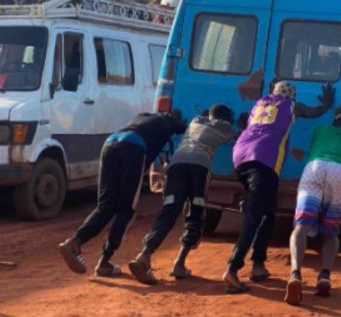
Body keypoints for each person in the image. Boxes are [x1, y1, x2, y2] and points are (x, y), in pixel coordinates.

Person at [223, 80, 334, 294]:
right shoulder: (293, 106)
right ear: (291, 96)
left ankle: (258, 265)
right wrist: (327, 103)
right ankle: (232, 268)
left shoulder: (260, 104)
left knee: (267, 215)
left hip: (240, 156)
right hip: (264, 161)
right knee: (254, 217)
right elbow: (315, 111)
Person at [58, 111, 186, 277]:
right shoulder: (168, 120)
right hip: (133, 148)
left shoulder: (144, 116)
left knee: (104, 207)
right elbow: (182, 128)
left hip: (111, 143)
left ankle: (74, 241)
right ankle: (105, 262)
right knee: (126, 211)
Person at [128, 104, 238, 285]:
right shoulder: (224, 127)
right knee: (195, 213)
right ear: (226, 118)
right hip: (199, 167)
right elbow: (240, 136)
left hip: (176, 165)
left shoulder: (196, 121)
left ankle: (144, 255)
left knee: (169, 211)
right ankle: (179, 263)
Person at [284, 113, 341, 305]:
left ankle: (295, 274)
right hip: (338, 171)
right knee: (331, 231)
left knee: (300, 226)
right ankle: (324, 275)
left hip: (314, 168)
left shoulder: (320, 130)